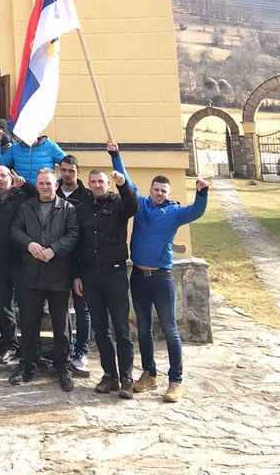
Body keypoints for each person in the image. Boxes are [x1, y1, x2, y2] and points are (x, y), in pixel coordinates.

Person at [109, 144, 209, 403]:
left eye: (163, 191)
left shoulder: (174, 213)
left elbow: (196, 211)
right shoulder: (140, 205)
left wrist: (202, 194)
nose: (159, 194)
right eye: (156, 190)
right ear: (150, 190)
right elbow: (125, 181)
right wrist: (115, 156)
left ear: (168, 193)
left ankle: (175, 380)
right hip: (138, 277)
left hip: (161, 279)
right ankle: (149, 373)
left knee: (169, 328)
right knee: (143, 328)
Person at [71, 161, 138, 399]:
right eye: (93, 182)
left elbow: (133, 206)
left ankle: (127, 378)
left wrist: (124, 185)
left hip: (115, 274)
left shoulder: (119, 203)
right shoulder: (81, 208)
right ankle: (110, 375)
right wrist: (76, 274)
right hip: (90, 275)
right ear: (89, 185)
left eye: (101, 181)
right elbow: (77, 244)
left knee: (121, 329)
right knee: (100, 330)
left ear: (108, 184)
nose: (97, 185)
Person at [10, 168, 80, 392]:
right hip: (31, 274)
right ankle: (28, 365)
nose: (45, 187)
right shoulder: (26, 207)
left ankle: (63, 366)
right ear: (37, 185)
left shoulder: (68, 209)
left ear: (56, 185)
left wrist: (54, 250)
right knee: (30, 323)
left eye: (48, 183)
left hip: (58, 273)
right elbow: (16, 229)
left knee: (61, 326)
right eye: (41, 183)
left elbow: (73, 234)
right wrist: (29, 244)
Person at [0, 165, 33, 362]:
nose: (0, 179)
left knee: (27, 304)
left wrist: (26, 185)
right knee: (4, 305)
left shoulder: (22, 196)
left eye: (3, 176)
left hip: (20, 260)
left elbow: (42, 197)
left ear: (10, 178)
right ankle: (10, 345)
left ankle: (30, 347)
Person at [56, 153, 92, 375]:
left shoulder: (87, 197)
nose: (67, 174)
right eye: (64, 170)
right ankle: (65, 349)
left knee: (82, 308)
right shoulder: (53, 193)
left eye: (71, 171)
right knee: (60, 308)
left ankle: (82, 350)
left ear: (78, 172)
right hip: (58, 260)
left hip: (81, 259)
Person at [0, 127, 66, 183]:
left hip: (44, 190)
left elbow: (68, 164)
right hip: (21, 192)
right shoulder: (15, 148)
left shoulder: (51, 146)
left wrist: (57, 182)